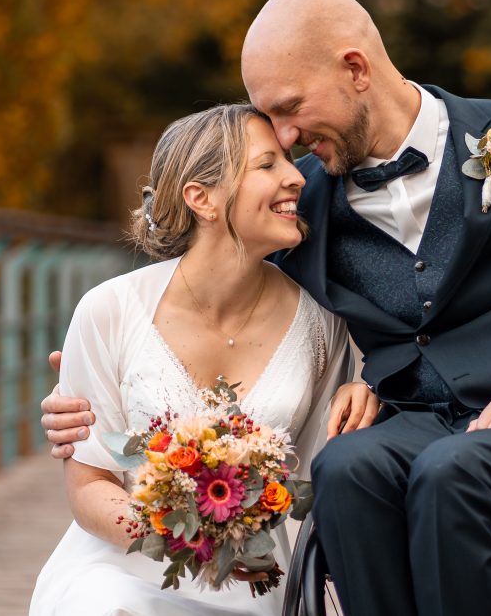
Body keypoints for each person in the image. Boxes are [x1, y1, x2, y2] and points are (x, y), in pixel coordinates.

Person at [42, 0, 491, 616]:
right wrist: (85, 387)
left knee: (450, 474)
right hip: (418, 423)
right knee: (346, 467)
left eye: (290, 107)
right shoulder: (301, 201)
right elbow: (221, 282)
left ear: (355, 70)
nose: (285, 138)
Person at [30, 104, 377, 615]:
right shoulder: (109, 311)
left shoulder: (322, 324)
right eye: (267, 165)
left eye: (289, 160)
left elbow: (321, 481)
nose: (294, 177)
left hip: (255, 579)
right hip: (121, 564)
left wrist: (370, 389)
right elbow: (89, 488)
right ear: (202, 198)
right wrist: (189, 543)